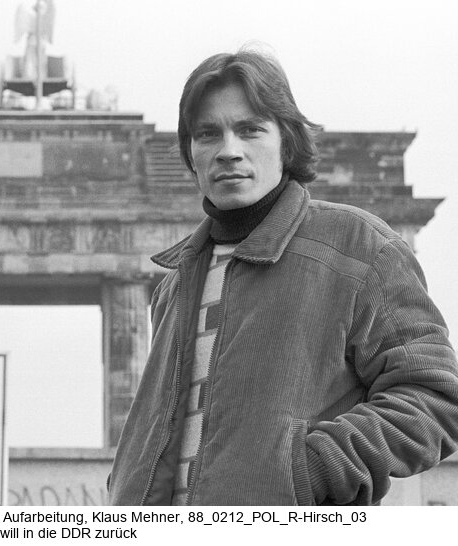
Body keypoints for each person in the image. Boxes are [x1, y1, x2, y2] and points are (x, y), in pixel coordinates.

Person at [107, 49, 458, 506]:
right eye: (207, 134)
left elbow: (436, 396)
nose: (228, 151)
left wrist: (312, 471)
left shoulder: (360, 247)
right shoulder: (175, 285)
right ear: (191, 154)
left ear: (287, 142)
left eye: (250, 129)